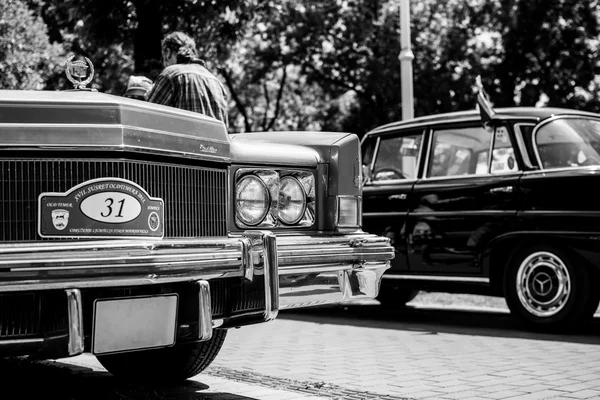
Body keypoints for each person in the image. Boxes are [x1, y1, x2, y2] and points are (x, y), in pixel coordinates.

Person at [145, 31, 229, 126]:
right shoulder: (216, 82)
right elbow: (224, 127)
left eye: (163, 58)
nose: (164, 64)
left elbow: (146, 117)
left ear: (168, 52)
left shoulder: (171, 74)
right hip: (215, 141)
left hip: (183, 141)